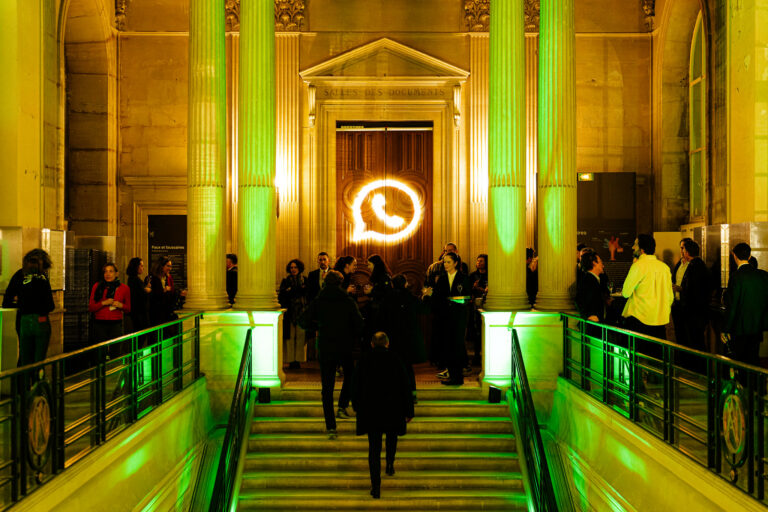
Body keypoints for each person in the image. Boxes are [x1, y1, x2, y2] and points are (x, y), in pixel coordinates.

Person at [299, 270, 363, 439]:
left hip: (326, 346)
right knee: (350, 375)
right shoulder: (347, 301)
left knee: (327, 388)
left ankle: (331, 427)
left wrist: (318, 326)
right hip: (344, 345)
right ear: (340, 283)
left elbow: (303, 320)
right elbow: (358, 324)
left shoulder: (319, 301)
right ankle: (342, 405)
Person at [353, 332, 414, 499]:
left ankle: (376, 486)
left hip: (371, 411)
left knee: (374, 448)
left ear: (372, 344)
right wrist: (409, 411)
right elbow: (405, 386)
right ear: (387, 344)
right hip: (393, 409)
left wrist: (357, 406)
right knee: (391, 438)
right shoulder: (396, 359)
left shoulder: (364, 360)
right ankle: (389, 464)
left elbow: (356, 385)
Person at [376, 274, 429, 401]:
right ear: (405, 284)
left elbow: (381, 317)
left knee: (392, 367)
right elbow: (424, 310)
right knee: (407, 367)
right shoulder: (410, 298)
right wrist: (426, 296)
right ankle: (412, 394)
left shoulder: (387, 298)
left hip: (392, 338)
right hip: (408, 339)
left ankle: (393, 393)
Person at [621, 234, 674, 356]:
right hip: (660, 323)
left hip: (640, 321)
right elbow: (669, 297)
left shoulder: (638, 266)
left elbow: (625, 293)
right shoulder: (664, 267)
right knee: (657, 362)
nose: (633, 247)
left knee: (639, 360)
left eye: (635, 244)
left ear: (642, 249)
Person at [424, 252, 471, 386]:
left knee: (457, 345)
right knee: (448, 346)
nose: (445, 264)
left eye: (448, 262)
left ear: (455, 263)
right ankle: (452, 376)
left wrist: (450, 300)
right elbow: (438, 298)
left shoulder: (463, 278)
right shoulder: (442, 279)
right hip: (445, 317)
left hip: (458, 317)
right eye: (444, 262)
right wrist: (429, 295)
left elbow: (466, 298)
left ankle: (458, 377)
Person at [721, 243, 768, 367]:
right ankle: (754, 385)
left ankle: (743, 384)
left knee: (740, 361)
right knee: (753, 359)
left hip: (740, 328)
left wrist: (726, 329)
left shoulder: (736, 277)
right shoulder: (763, 275)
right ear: (749, 255)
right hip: (757, 326)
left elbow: (732, 305)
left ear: (734, 256)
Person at [671, 239, 710, 357]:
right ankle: (686, 363)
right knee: (683, 337)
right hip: (681, 306)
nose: (681, 251)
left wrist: (680, 289)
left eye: (683, 249)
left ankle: (695, 367)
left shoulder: (696, 266)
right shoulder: (682, 263)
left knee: (694, 340)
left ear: (687, 252)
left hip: (693, 309)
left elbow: (696, 288)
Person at [17, 249, 55, 366]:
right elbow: (50, 305)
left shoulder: (22, 278)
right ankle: (38, 382)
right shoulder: (43, 279)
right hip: (40, 320)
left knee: (25, 359)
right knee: (39, 360)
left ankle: (24, 383)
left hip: (24, 322)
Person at [89, 263, 131, 344]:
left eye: (111, 271)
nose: (107, 274)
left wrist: (120, 305)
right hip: (99, 324)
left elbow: (128, 309)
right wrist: (103, 303)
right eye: (105, 272)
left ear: (116, 273)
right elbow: (91, 307)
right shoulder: (97, 286)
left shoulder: (124, 288)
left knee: (115, 350)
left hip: (116, 324)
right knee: (100, 351)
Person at [278, 258, 308, 370]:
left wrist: (292, 290)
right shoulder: (285, 281)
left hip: (302, 312)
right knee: (290, 338)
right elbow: (283, 296)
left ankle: (299, 360)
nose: (293, 269)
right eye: (291, 267)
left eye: (295, 267)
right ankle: (291, 360)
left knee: (301, 337)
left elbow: (306, 293)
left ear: (299, 268)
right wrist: (297, 290)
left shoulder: (305, 280)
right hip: (290, 313)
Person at [145, 256, 185, 327]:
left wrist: (179, 293)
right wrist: (164, 291)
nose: (170, 268)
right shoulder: (152, 278)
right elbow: (153, 296)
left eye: (171, 266)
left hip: (166, 313)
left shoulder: (167, 278)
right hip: (156, 314)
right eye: (168, 266)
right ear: (161, 266)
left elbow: (170, 294)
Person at [362, 254, 392, 345]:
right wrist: (370, 292)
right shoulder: (379, 277)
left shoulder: (384, 277)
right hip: (376, 311)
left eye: (369, 264)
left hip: (380, 313)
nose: (368, 267)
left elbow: (386, 294)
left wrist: (372, 291)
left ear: (375, 264)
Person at [576, 250, 609, 323]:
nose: (603, 265)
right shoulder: (588, 280)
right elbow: (580, 299)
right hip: (593, 323)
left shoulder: (594, 279)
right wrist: (589, 315)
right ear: (594, 263)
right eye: (600, 262)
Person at [467, 254, 488, 366]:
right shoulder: (473, 276)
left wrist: (481, 289)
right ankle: (476, 355)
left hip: (486, 305)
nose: (479, 263)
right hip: (474, 306)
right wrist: (473, 288)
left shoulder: (490, 275)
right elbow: (468, 290)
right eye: (477, 261)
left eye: (481, 261)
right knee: (475, 332)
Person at [125, 257, 150, 334]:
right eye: (141, 265)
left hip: (138, 313)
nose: (143, 268)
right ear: (136, 266)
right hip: (139, 314)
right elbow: (140, 296)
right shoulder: (134, 280)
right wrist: (147, 290)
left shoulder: (133, 279)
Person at [2, 266, 25, 338]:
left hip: (22, 317)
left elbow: (6, 302)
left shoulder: (20, 274)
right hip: (39, 319)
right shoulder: (42, 276)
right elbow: (50, 305)